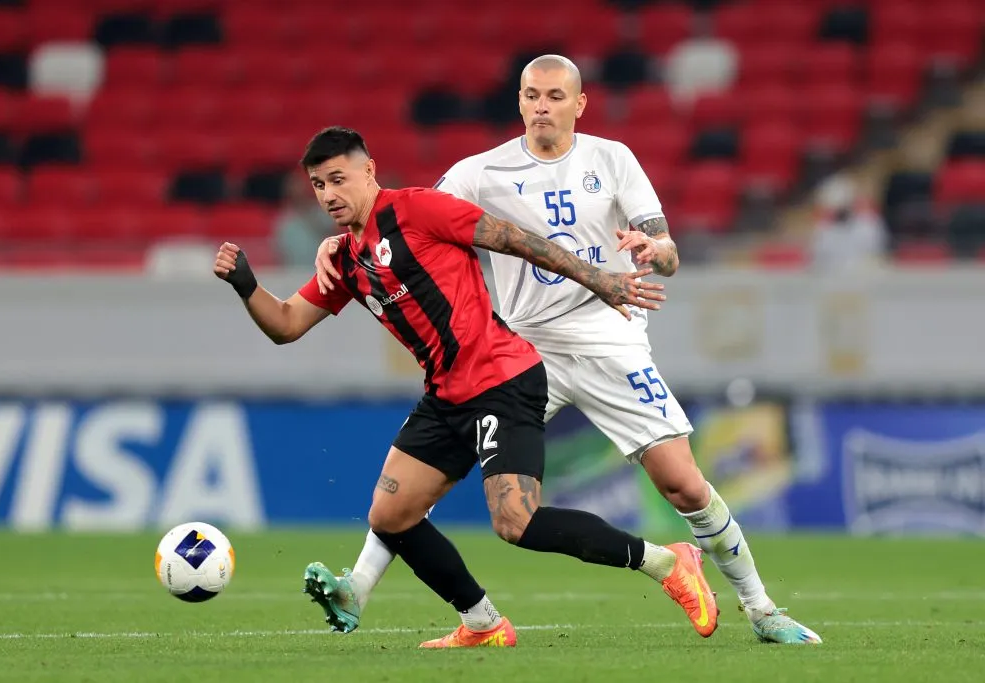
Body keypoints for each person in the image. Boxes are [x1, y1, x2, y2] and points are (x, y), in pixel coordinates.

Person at [311, 55, 822, 646]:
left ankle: (761, 610)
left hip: (610, 335)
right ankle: (362, 586)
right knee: (423, 485)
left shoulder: (613, 159)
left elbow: (667, 248)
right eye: (531, 95)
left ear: (580, 103)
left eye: (555, 96)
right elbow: (397, 222)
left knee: (682, 483)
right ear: (519, 101)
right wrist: (339, 239)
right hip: (523, 351)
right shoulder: (481, 171)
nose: (541, 106)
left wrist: (656, 251)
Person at [215, 126, 715, 649]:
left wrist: (600, 279)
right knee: (392, 515)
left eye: (338, 179)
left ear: (369, 170)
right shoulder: (343, 259)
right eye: (318, 185)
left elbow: (514, 239)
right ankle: (482, 622)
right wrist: (247, 284)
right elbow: (288, 324)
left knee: (515, 521)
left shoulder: (419, 211)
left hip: (504, 379)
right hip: (446, 394)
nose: (329, 195)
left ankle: (666, 561)